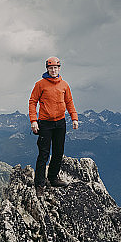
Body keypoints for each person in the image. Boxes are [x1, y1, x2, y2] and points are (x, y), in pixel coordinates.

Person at [28, 56, 79, 197]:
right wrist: (34, 120)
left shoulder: (64, 85)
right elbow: (32, 102)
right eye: (51, 68)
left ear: (59, 68)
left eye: (55, 67)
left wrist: (74, 118)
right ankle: (39, 184)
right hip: (45, 123)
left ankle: (53, 178)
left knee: (58, 152)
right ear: (47, 69)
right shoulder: (40, 84)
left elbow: (69, 102)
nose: (53, 70)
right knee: (43, 154)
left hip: (60, 122)